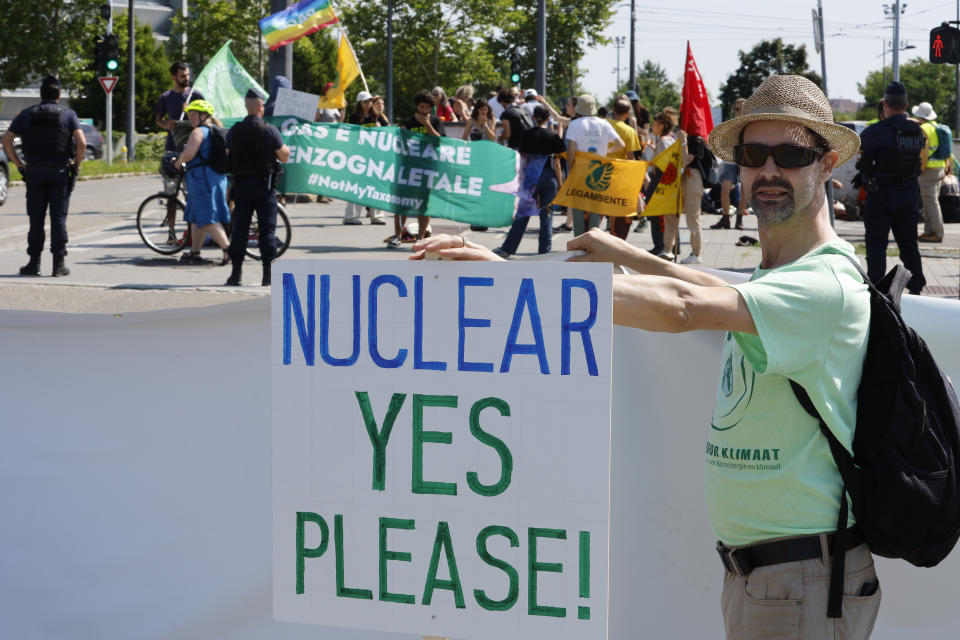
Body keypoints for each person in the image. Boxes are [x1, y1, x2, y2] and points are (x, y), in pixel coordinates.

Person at [412, 74, 879, 640]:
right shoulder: (785, 271)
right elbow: (707, 287)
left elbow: (685, 307)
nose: (770, 170)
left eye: (791, 154)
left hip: (801, 577)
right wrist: (629, 253)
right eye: (755, 154)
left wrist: (512, 283)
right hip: (773, 574)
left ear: (827, 164)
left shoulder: (821, 281)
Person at [2, 75, 85, 277]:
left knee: (36, 220)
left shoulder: (27, 114)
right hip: (59, 173)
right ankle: (58, 265)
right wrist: (77, 164)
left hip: (35, 173)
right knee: (58, 219)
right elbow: (81, 142)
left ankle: (33, 264)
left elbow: (7, 140)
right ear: (59, 95)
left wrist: (19, 164)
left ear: (41, 94)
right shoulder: (68, 114)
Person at [857, 81, 926, 295]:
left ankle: (877, 291)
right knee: (909, 245)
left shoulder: (874, 132)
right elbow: (919, 165)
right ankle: (916, 290)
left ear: (885, 104)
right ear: (905, 106)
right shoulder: (917, 131)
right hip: (907, 195)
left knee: (876, 245)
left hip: (880, 195)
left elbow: (864, 164)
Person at [225, 89, 290, 287]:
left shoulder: (234, 130)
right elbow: (284, 156)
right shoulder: (269, 130)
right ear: (261, 107)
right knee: (267, 233)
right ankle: (268, 276)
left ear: (247, 107)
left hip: (242, 187)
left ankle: (236, 275)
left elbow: (228, 155)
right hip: (265, 188)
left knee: (239, 232)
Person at [493, 106, 565, 257]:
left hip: (531, 176)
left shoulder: (526, 135)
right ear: (548, 119)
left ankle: (508, 248)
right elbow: (557, 163)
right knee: (547, 217)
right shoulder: (553, 137)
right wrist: (560, 183)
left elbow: (522, 159)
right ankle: (544, 252)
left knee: (523, 214)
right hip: (548, 175)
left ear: (533, 118)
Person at [172, 100, 231, 266]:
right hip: (216, 179)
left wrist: (178, 162)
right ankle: (195, 252)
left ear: (203, 116)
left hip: (202, 180)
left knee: (207, 217)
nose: (191, 117)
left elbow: (189, 153)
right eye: (189, 114)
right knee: (197, 217)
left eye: (194, 114)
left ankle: (228, 249)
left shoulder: (199, 132)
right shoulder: (215, 131)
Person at [563, 93, 625, 235]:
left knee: (578, 208)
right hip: (600, 170)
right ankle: (594, 242)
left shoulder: (574, 124)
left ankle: (579, 242)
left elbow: (571, 152)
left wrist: (571, 172)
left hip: (580, 171)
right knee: (595, 211)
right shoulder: (604, 123)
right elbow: (621, 144)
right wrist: (606, 151)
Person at [398, 90, 447, 243]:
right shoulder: (409, 122)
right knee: (403, 202)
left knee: (424, 204)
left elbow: (439, 141)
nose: (424, 110)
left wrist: (426, 124)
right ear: (417, 106)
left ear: (431, 108)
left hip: (428, 167)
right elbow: (400, 140)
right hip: (409, 167)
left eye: (427, 107)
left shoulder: (436, 121)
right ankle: (397, 235)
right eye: (421, 107)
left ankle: (420, 236)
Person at [342, 91, 385, 225]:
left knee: (376, 186)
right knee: (356, 186)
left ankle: (377, 216)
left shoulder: (376, 116)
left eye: (370, 101)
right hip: (359, 156)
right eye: (366, 101)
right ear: (360, 103)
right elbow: (352, 135)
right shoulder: (355, 117)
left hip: (375, 156)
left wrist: (381, 128)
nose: (368, 104)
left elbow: (388, 130)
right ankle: (351, 217)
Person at [607, 98, 643, 239]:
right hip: (619, 175)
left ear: (613, 110)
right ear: (627, 114)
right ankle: (614, 235)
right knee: (617, 211)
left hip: (600, 172)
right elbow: (630, 158)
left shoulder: (603, 126)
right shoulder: (629, 131)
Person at [912, 101, 948, 243]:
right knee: (931, 201)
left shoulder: (924, 129)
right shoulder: (937, 126)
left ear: (919, 116)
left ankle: (938, 233)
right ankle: (928, 231)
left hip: (929, 170)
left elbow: (924, 152)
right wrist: (946, 166)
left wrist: (921, 169)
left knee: (931, 202)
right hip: (939, 168)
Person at [155, 62, 205, 151]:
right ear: (173, 77)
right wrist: (166, 125)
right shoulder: (166, 97)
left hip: (194, 144)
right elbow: (158, 120)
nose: (187, 78)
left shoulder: (196, 95)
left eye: (188, 75)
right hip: (173, 144)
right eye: (183, 76)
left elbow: (206, 119)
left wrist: (189, 113)